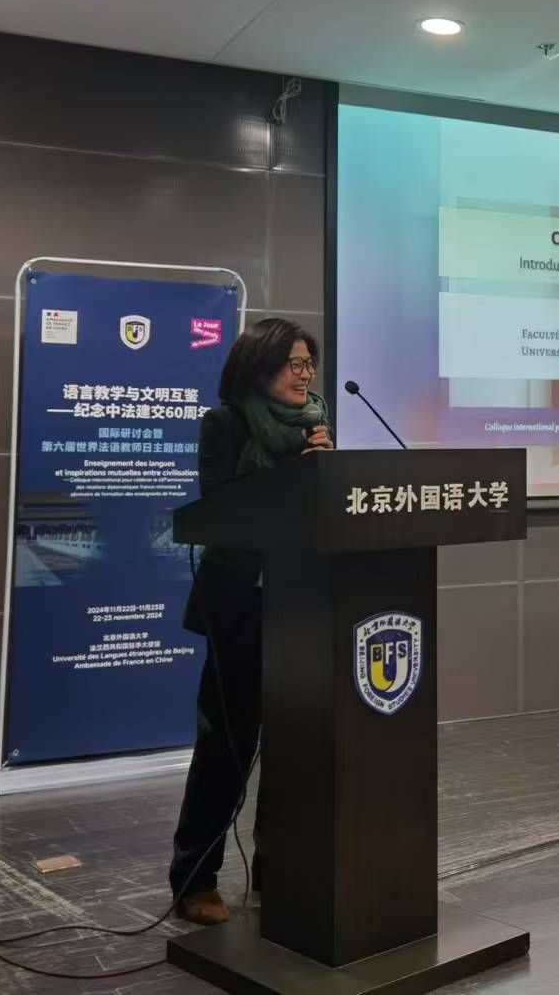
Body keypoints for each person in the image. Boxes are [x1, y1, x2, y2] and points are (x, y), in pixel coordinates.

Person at [168, 318, 333, 924]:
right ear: (260, 366)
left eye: (309, 363)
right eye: (294, 362)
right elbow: (223, 509)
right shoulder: (225, 423)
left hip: (301, 605)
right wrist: (293, 474)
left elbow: (321, 513)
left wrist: (325, 472)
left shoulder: (314, 424)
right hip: (239, 603)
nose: (305, 374)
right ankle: (195, 879)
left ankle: (278, 868)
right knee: (228, 746)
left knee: (296, 743)